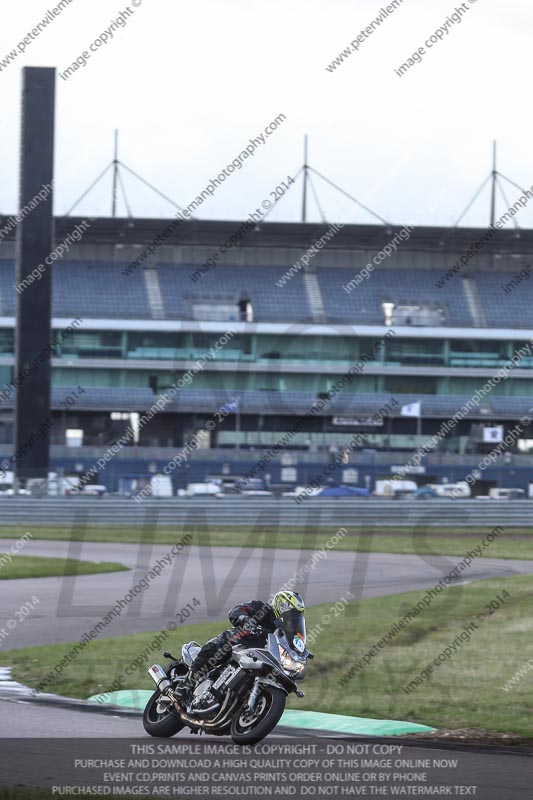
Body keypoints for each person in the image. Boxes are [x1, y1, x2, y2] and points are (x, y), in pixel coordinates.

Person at [175, 590, 305, 700]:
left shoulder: (288, 631)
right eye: (291, 613)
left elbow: (294, 643)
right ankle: (186, 683)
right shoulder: (262, 609)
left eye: (295, 616)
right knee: (221, 645)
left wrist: (300, 653)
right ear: (281, 606)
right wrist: (245, 619)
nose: (292, 618)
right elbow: (237, 610)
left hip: (263, 657)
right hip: (242, 643)